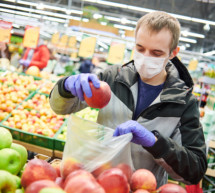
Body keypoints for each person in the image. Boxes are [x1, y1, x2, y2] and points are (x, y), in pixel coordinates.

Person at [49, 11, 207, 187]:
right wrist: (66, 87)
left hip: (142, 188)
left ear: (172, 53)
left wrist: (155, 143)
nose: (145, 57)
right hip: (99, 184)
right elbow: (60, 108)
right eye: (140, 48)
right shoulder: (112, 78)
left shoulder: (184, 102)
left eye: (156, 52)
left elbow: (195, 169)